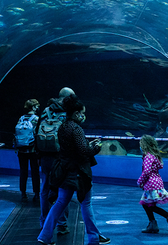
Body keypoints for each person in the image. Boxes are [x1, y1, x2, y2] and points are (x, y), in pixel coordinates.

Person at [37, 95, 110, 245]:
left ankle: (44, 236)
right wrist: (95, 148)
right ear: (76, 113)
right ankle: (94, 237)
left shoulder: (63, 126)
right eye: (82, 113)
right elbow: (83, 151)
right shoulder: (76, 128)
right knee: (86, 202)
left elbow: (72, 148)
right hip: (78, 173)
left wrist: (86, 145)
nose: (83, 116)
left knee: (60, 202)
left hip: (65, 171)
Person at [35, 87, 74, 234]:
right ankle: (62, 224)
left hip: (45, 156)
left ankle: (44, 221)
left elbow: (36, 131)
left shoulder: (46, 110)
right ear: (67, 98)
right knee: (63, 190)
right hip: (62, 157)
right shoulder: (68, 112)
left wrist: (39, 155)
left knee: (44, 189)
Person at [137, 135, 168, 234]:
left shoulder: (148, 156)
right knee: (146, 204)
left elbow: (146, 172)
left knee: (150, 206)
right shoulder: (154, 155)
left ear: (144, 145)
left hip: (151, 183)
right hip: (156, 182)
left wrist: (140, 181)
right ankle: (153, 224)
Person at [14, 99, 40, 201]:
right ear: (33, 107)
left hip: (21, 150)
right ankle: (36, 193)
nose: (37, 108)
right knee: (35, 172)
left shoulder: (21, 118)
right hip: (33, 150)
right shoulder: (36, 119)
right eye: (36, 106)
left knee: (23, 171)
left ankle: (23, 193)